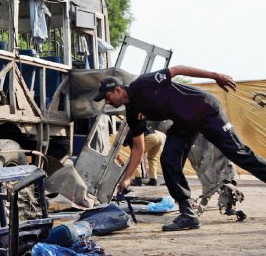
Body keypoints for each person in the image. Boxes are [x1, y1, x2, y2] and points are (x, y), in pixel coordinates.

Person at [94, 66, 266, 231]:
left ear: (117, 90)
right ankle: (188, 214)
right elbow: (138, 148)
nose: (107, 101)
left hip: (205, 109)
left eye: (107, 96)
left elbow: (178, 69)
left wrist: (215, 76)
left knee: (238, 154)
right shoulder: (133, 113)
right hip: (185, 122)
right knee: (168, 160)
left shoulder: (142, 83)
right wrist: (127, 178)